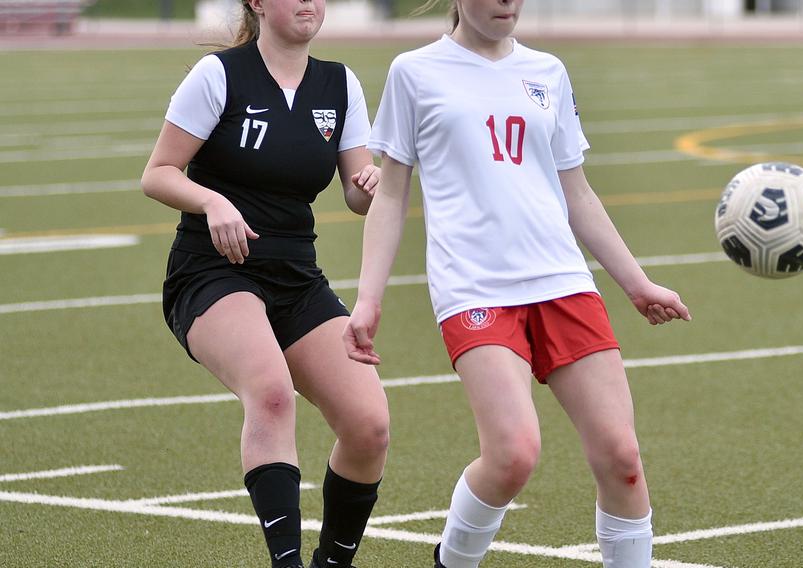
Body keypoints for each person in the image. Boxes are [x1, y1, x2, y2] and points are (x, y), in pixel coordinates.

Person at [343, 1, 691, 566]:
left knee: (622, 457)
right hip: (475, 288)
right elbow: (390, 193)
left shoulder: (547, 72)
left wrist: (637, 284)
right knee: (512, 454)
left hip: (562, 281)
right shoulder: (415, 72)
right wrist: (368, 298)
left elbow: (576, 192)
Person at [140, 1, 389, 567]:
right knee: (271, 391)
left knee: (369, 426)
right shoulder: (219, 74)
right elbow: (157, 173)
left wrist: (373, 184)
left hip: (296, 277)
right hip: (212, 272)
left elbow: (355, 194)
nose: (309, 1)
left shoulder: (339, 83)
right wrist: (212, 202)